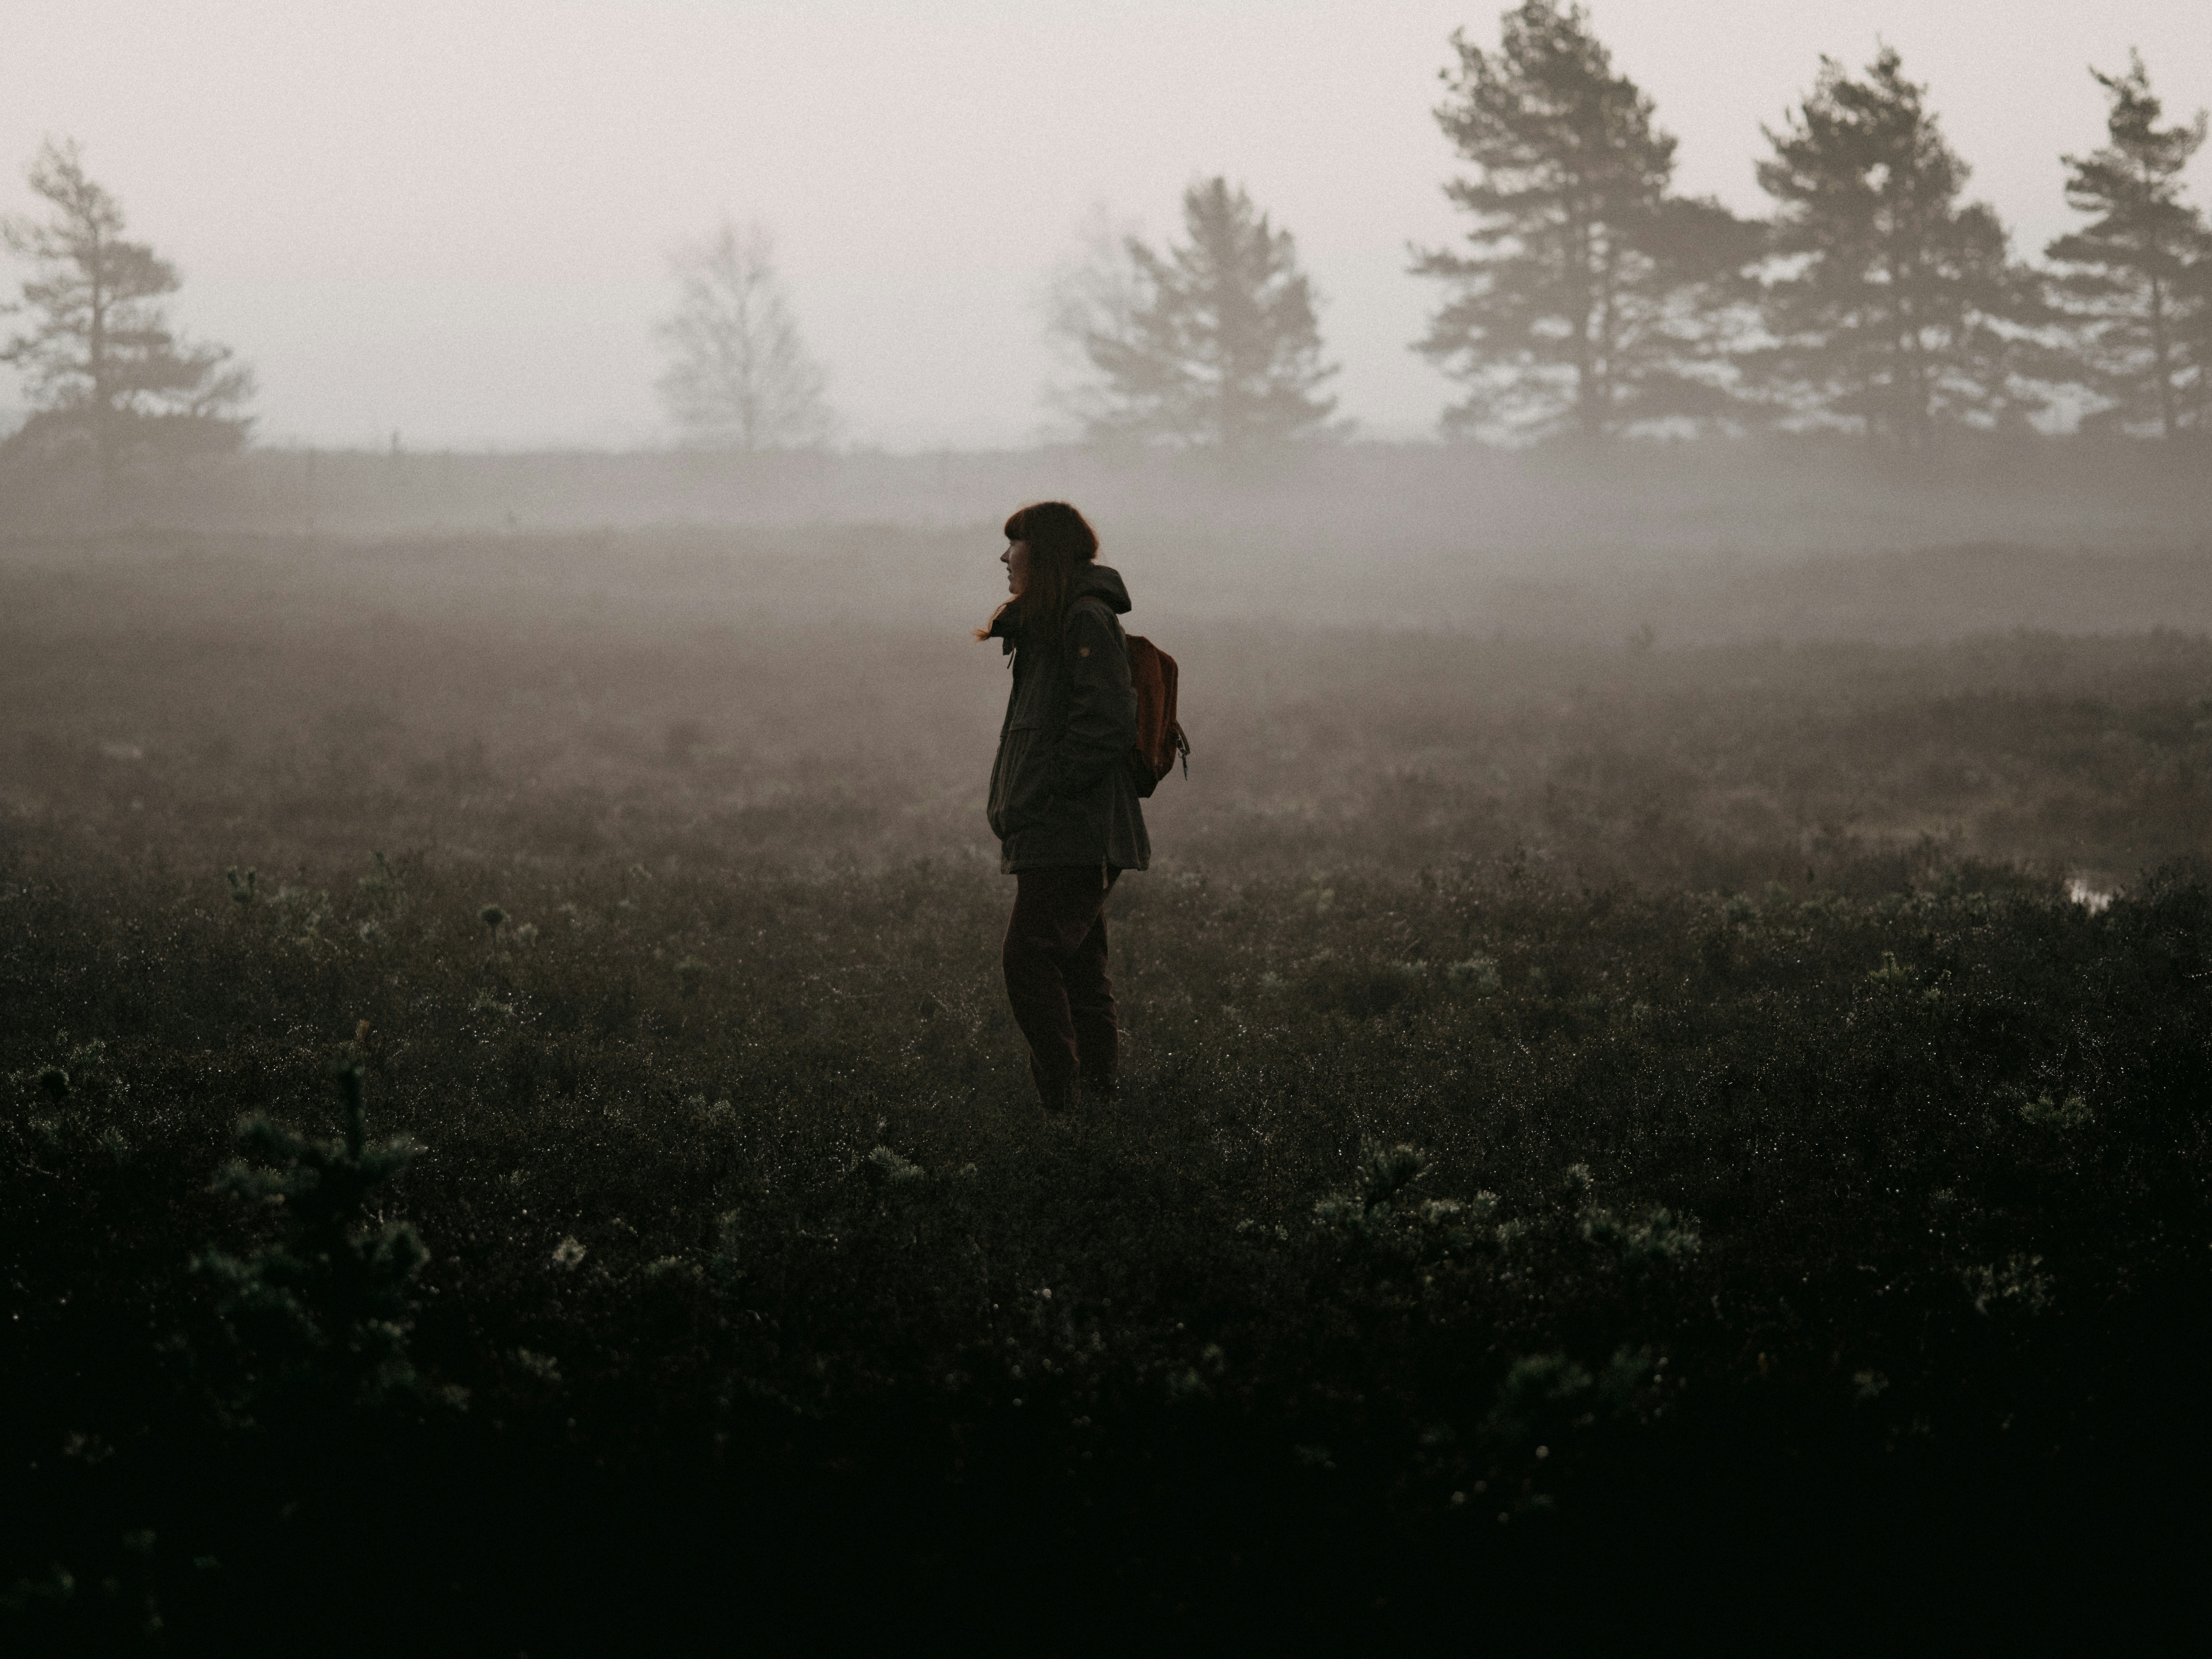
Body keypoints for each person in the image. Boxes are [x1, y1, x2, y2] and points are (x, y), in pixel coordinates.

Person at [979, 502, 1149, 1111]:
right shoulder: (1054, 622)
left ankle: (1067, 1107)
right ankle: (1096, 1114)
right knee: (1079, 973)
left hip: (1075, 829)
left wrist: (1046, 791)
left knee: (1028, 961)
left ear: (1042, 552)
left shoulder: (1083, 620)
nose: (1005, 557)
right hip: (1069, 828)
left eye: (1015, 545)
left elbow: (1106, 726)